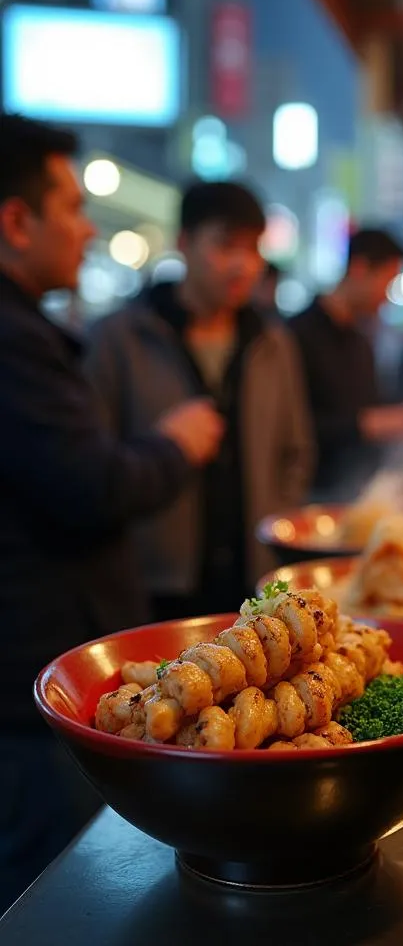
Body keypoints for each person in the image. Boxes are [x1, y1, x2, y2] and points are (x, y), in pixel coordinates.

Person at [0, 114, 223, 910]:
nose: (88, 227)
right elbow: (87, 487)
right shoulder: (17, 339)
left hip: (49, 666)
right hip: (34, 677)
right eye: (70, 206)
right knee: (54, 897)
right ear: (15, 220)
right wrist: (174, 445)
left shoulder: (33, 329)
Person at [86, 181, 315, 622]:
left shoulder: (272, 342)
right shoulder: (120, 338)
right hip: (156, 586)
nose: (242, 266)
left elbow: (297, 451)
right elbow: (93, 464)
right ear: (184, 243)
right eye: (225, 246)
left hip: (254, 581)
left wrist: (273, 524)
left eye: (253, 249)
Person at [290, 227, 403, 499]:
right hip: (312, 494)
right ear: (359, 269)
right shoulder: (296, 335)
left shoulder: (360, 341)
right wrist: (363, 425)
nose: (387, 296)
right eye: (387, 281)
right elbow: (289, 427)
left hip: (359, 488)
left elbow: (371, 405)